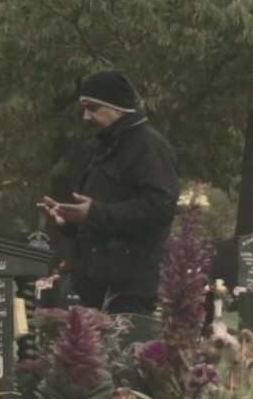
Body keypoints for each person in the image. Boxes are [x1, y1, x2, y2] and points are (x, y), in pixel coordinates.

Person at [38, 69, 179, 315]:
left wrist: (94, 213)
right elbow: (99, 214)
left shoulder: (150, 146)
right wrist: (68, 222)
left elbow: (160, 208)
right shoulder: (103, 148)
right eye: (84, 108)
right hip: (95, 289)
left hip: (130, 291)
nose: (85, 117)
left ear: (118, 107)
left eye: (92, 108)